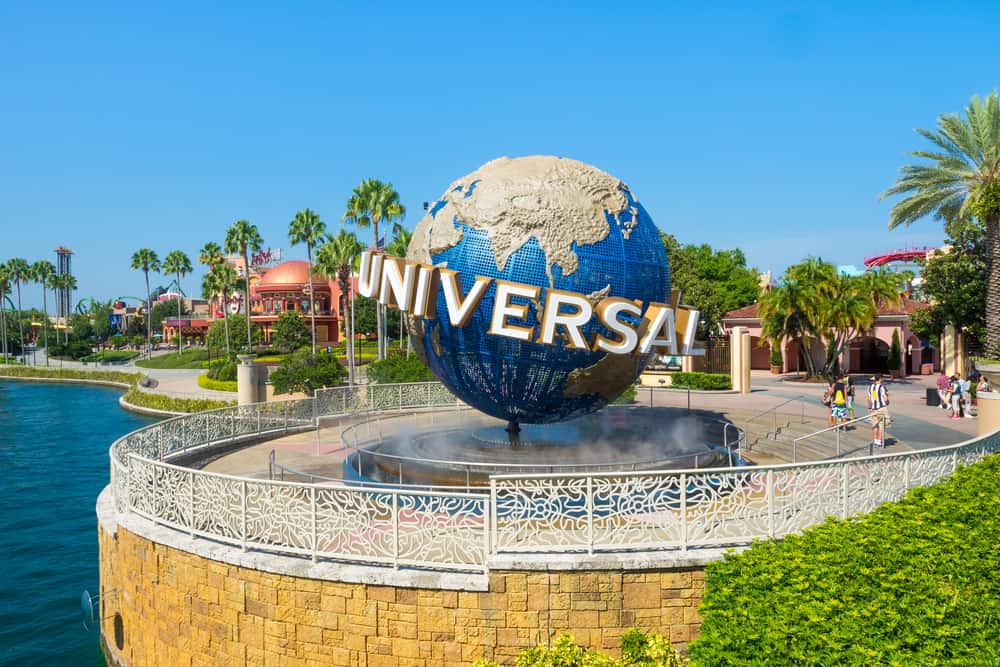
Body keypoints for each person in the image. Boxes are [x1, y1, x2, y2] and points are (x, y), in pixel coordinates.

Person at [869, 374, 891, 448]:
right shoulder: (882, 387)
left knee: (875, 425)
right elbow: (885, 399)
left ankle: (875, 440)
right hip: (881, 408)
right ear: (880, 379)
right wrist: (888, 401)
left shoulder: (870, 387)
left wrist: (870, 408)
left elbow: (870, 399)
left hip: (874, 408)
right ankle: (879, 441)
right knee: (882, 425)